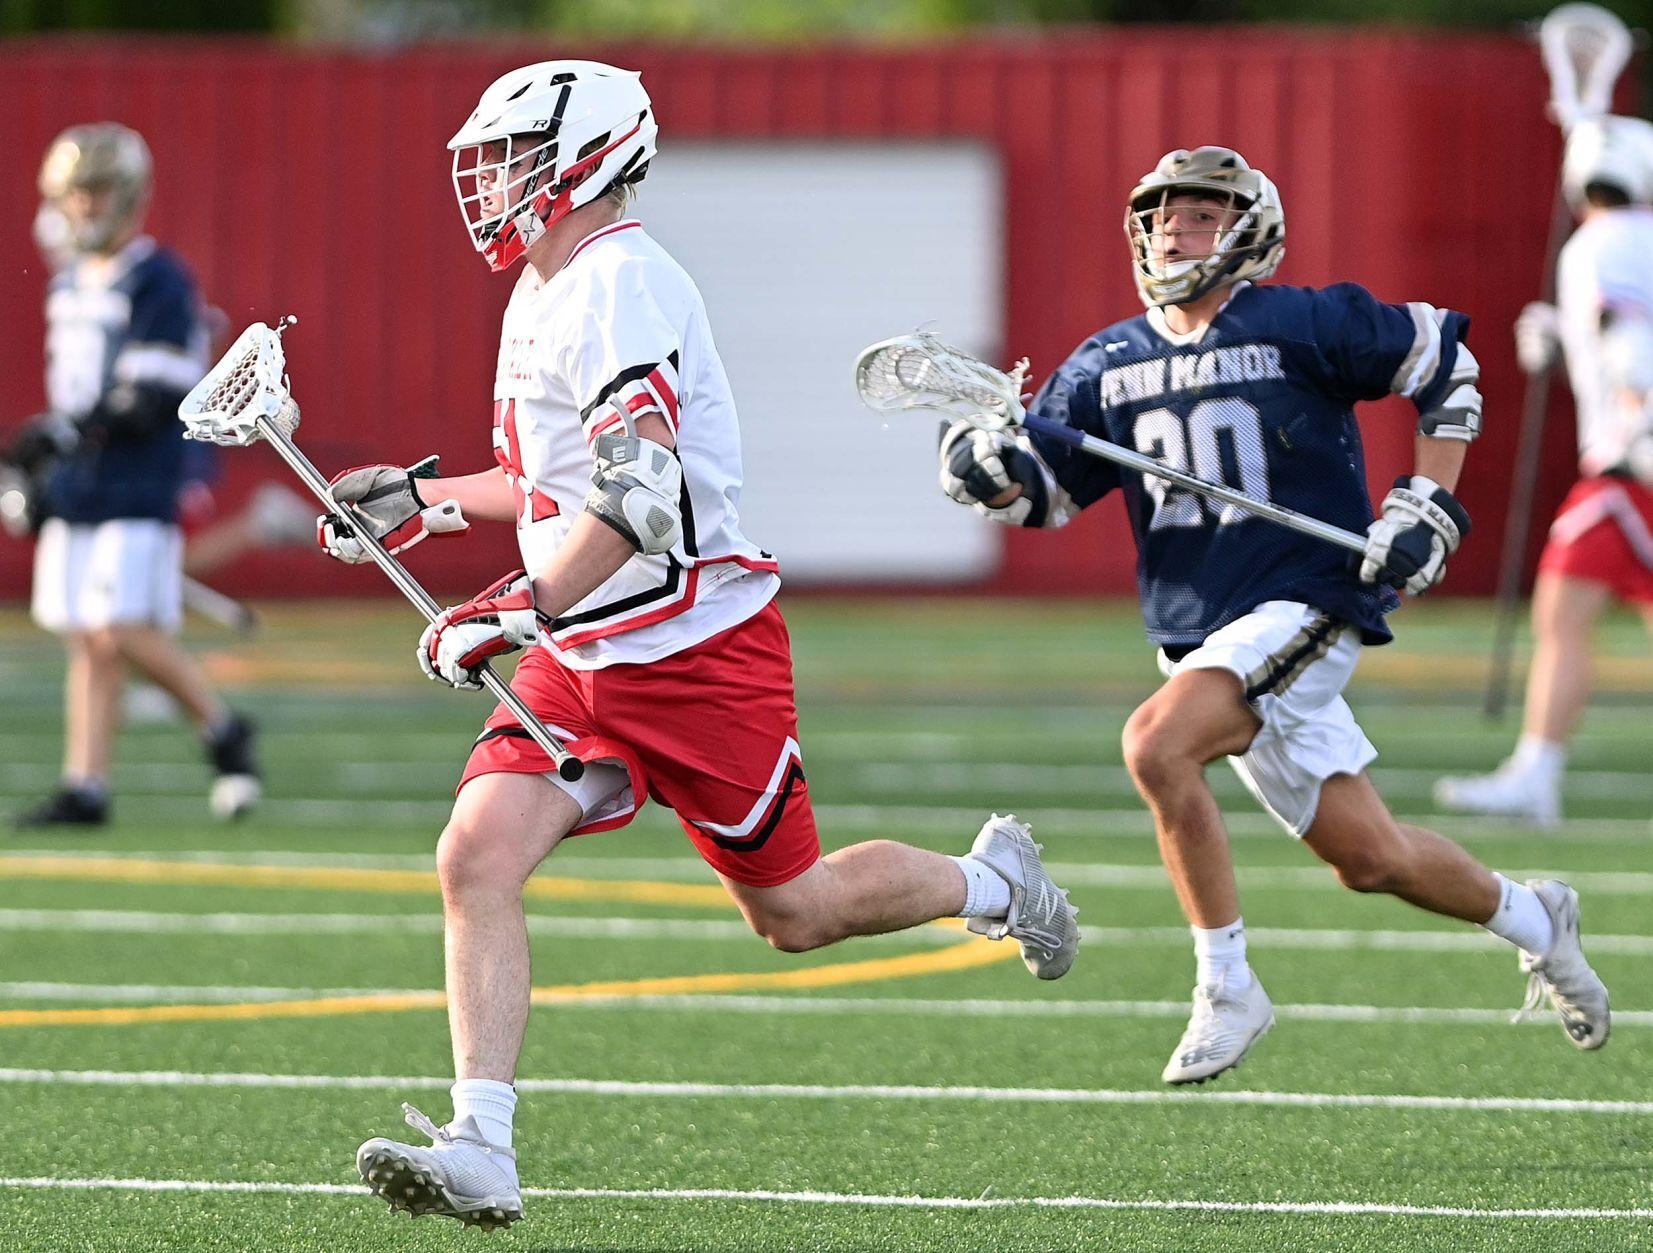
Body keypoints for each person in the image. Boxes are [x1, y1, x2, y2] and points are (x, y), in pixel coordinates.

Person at [318, 61, 1080, 1231]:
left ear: (588, 157)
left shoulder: (620, 283)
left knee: (797, 912)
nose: (490, 185)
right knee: (475, 854)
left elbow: (642, 503)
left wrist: (514, 605)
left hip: (692, 650)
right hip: (585, 649)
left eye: (513, 159)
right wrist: (422, 497)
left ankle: (992, 881)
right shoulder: (548, 283)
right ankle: (483, 1141)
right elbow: (547, 483)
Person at [939, 146, 1611, 1086]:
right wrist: (989, 475)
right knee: (1371, 858)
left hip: (1304, 596)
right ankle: (1539, 919)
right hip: (1203, 637)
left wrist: (1428, 502)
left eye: (1201, 216)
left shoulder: (1301, 320)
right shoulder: (1109, 358)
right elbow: (1044, 496)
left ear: (1249, 229)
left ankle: (1227, 985)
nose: (1176, 231)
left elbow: (1446, 368)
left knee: (1155, 746)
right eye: (1163, 216)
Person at [13, 123, 260, 828]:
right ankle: (85, 783)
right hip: (84, 481)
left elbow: (148, 395)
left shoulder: (156, 277)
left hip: (138, 477)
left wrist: (61, 432)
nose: (85, 207)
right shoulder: (70, 277)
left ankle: (222, 726)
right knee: (86, 637)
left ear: (126, 195)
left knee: (119, 627)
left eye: (96, 191)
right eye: (75, 193)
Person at [1436, 116, 1653, 827]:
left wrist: (1635, 420)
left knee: (1561, 610)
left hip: (1630, 463)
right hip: (1624, 462)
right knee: (1563, 608)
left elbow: (1628, 343)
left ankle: (1536, 772)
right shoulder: (1630, 238)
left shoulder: (1603, 241)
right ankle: (1535, 770)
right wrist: (1564, 342)